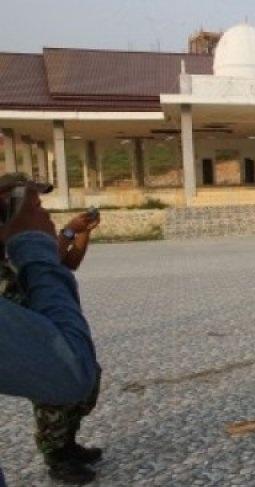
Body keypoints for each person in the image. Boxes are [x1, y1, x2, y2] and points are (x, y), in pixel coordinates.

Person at [0, 173, 103, 485]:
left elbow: (66, 262)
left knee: (86, 386)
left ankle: (68, 444)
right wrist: (31, 239)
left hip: (54, 321)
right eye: (35, 204)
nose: (43, 211)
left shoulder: (27, 241)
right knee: (53, 399)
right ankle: (56, 456)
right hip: (29, 326)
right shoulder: (12, 245)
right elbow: (66, 372)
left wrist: (79, 233)